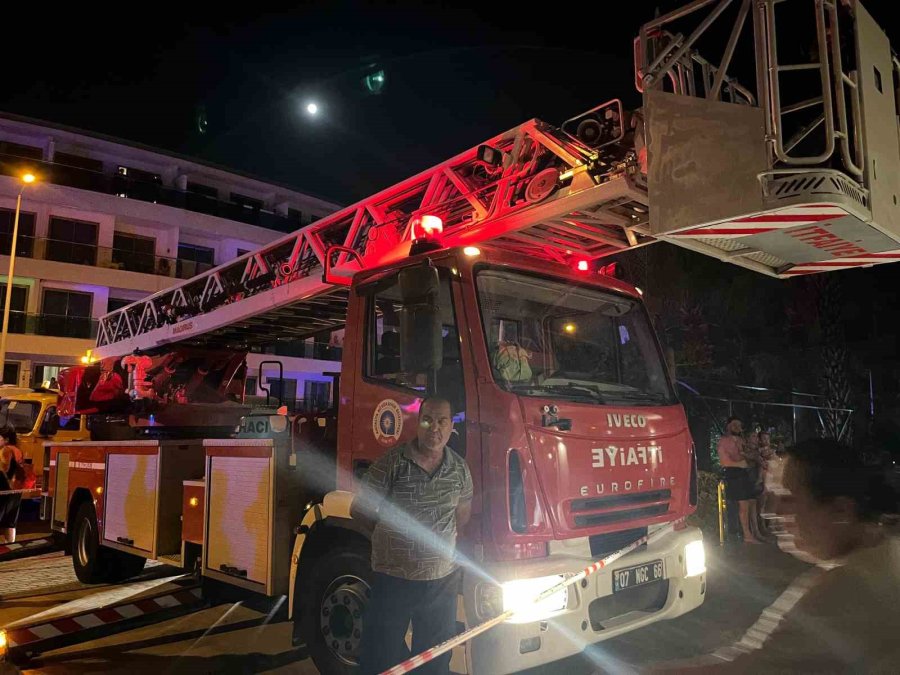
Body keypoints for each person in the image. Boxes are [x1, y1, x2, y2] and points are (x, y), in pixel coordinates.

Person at [352, 397, 473, 675]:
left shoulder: (459, 470)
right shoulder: (391, 464)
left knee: (435, 661)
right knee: (379, 658)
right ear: (418, 423)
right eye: (428, 419)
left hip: (440, 584)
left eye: (442, 421)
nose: (435, 428)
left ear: (451, 425)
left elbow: (462, 516)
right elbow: (360, 511)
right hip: (393, 581)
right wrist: (393, 542)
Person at [717, 417, 764, 543]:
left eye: (739, 424)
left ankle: (754, 532)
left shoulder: (741, 440)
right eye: (734, 424)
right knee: (743, 504)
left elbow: (747, 454)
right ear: (728, 426)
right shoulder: (724, 441)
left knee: (750, 503)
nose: (737, 427)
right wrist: (740, 464)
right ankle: (746, 534)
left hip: (745, 473)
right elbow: (724, 461)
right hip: (734, 474)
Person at [0, 425, 24, 543]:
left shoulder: (6, 450)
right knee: (10, 521)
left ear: (6, 439)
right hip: (16, 489)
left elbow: (4, 468)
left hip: (5, 489)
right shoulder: (17, 450)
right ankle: (10, 546)